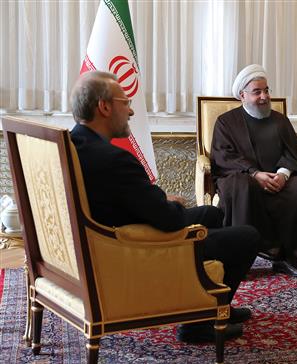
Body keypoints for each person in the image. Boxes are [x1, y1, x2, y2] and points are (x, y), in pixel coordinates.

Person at [69, 71, 261, 344]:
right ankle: (197, 327)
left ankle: (212, 306)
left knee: (212, 213)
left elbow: (119, 198)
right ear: (105, 107)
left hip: (105, 234)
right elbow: (168, 221)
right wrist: (164, 202)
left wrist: (157, 200)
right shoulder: (112, 159)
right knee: (247, 237)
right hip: (130, 250)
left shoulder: (73, 144)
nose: (132, 111)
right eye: (126, 102)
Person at [210, 64, 297, 277]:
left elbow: (293, 152)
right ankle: (239, 259)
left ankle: (287, 256)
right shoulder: (226, 122)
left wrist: (283, 174)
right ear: (242, 95)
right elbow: (224, 157)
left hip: (278, 180)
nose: (264, 96)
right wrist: (255, 174)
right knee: (241, 186)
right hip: (245, 178)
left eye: (266, 90)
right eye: (257, 92)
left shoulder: (279, 120)